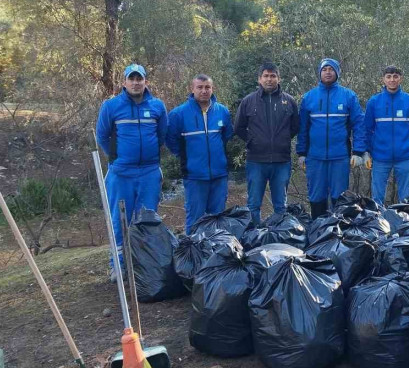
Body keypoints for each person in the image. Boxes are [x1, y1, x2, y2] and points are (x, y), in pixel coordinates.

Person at [96, 63, 168, 279]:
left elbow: (162, 135)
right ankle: (118, 266)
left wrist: (149, 155)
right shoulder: (111, 106)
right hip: (121, 174)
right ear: (124, 82)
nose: (136, 82)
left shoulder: (157, 106)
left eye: (140, 78)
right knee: (119, 221)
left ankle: (143, 266)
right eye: (132, 78)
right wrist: (118, 158)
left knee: (147, 220)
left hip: (149, 172)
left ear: (146, 81)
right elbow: (102, 136)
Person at [296, 58, 366, 219]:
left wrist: (358, 151)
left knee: (339, 196)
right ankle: (319, 232)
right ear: (319, 73)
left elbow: (359, 125)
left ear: (337, 73)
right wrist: (301, 152)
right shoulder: (309, 97)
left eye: (331, 69)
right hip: (315, 157)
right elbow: (303, 128)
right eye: (324, 69)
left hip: (340, 156)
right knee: (316, 196)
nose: (328, 72)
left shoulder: (348, 96)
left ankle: (339, 232)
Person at [166, 74, 234, 232]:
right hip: (194, 176)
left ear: (212, 89)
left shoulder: (222, 111)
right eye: (200, 87)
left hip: (219, 175)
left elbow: (226, 136)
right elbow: (171, 141)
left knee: (217, 219)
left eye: (207, 87)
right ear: (192, 89)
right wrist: (187, 158)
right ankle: (192, 254)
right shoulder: (178, 114)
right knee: (195, 219)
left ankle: (216, 253)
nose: (204, 91)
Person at [235, 63, 300, 223]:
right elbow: (239, 127)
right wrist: (254, 141)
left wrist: (282, 139)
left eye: (273, 76)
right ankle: (254, 238)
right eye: (266, 76)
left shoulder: (289, 101)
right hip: (256, 160)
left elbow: (295, 127)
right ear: (259, 79)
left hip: (281, 161)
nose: (269, 79)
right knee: (254, 204)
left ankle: (279, 236)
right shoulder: (248, 101)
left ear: (279, 79)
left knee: (280, 205)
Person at [363, 65, 409, 205]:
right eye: (389, 77)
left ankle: (406, 225)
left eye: (395, 76)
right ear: (383, 79)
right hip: (380, 158)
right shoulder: (374, 102)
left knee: (406, 200)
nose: (392, 80)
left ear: (400, 79)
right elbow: (366, 129)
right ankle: (378, 225)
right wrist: (366, 152)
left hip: (404, 158)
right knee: (377, 200)